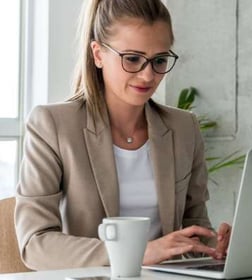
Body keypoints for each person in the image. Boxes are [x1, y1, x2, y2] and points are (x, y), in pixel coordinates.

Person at [15, 0, 230, 270]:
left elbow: (193, 226)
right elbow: (35, 244)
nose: (148, 75)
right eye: (132, 59)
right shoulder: (53, 125)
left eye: (160, 60)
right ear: (98, 54)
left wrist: (216, 248)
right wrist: (136, 253)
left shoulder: (184, 127)